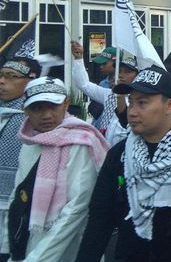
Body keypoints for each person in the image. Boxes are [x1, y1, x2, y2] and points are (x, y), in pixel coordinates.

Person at [76, 65, 171, 262]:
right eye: (131, 102)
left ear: (169, 105)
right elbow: (101, 216)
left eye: (142, 103)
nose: (132, 112)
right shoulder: (119, 154)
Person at [1, 77, 109, 261]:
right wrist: (6, 246)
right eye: (38, 108)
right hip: (26, 241)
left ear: (66, 104)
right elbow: (18, 196)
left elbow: (76, 208)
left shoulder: (80, 141)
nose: (46, 115)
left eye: (53, 106)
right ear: (26, 110)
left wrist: (38, 258)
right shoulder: (29, 141)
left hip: (67, 247)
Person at [0, 57, 40, 262]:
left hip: (17, 205)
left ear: (30, 81)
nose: (2, 81)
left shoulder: (35, 117)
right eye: (1, 75)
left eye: (11, 76)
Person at [71, 41, 139, 145]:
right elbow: (83, 84)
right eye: (119, 71)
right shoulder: (109, 94)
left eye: (127, 72)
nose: (121, 75)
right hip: (105, 152)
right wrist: (78, 59)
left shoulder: (141, 101)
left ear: (138, 75)